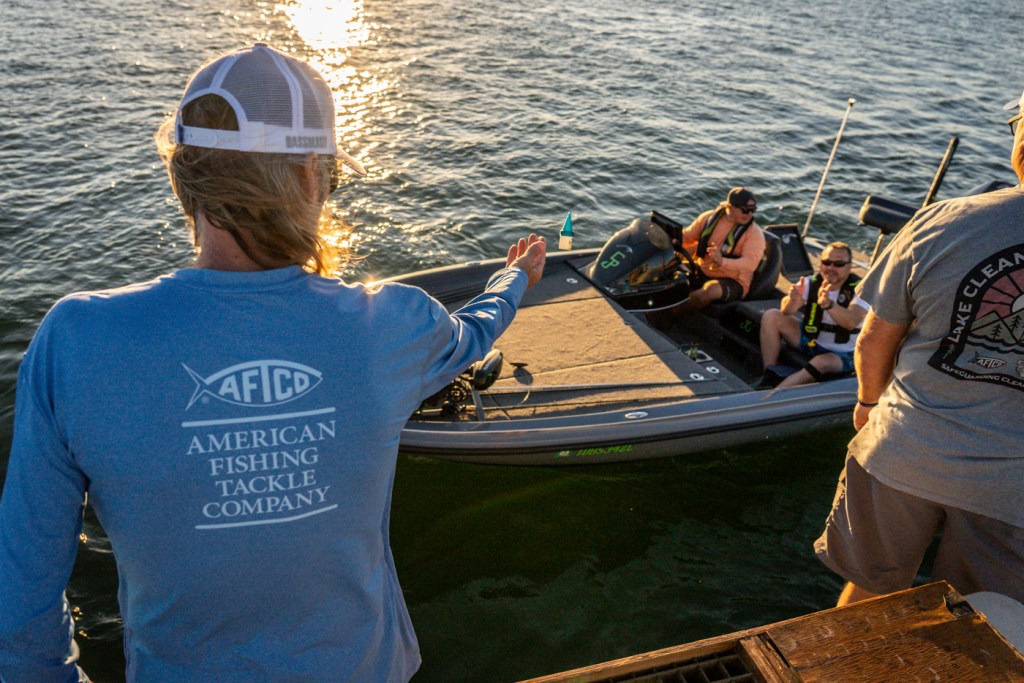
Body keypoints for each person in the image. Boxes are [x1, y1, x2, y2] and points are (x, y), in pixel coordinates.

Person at [0, 44, 546, 682]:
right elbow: (475, 333)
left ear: (181, 179)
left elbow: (20, 595)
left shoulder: (76, 340)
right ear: (311, 178)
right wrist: (514, 278)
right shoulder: (394, 323)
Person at [813, 87, 1024, 607]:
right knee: (985, 618)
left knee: (868, 594)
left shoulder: (945, 220)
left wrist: (868, 403)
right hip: (1010, 487)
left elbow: (873, 340)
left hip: (903, 449)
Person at [757, 242, 869, 389]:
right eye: (827, 262)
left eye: (838, 264)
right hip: (811, 341)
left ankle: (773, 395)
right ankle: (769, 373)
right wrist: (793, 300)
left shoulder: (861, 290)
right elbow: (786, 311)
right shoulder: (811, 282)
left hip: (843, 353)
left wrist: (828, 304)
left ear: (849, 266)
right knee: (772, 316)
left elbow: (851, 321)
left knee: (821, 362)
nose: (831, 268)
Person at [671, 186, 767, 312]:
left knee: (709, 291)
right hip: (703, 269)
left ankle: (671, 314)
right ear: (730, 207)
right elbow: (687, 237)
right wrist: (670, 238)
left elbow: (750, 264)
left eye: (753, 210)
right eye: (745, 210)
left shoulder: (754, 234)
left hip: (734, 281)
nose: (749, 214)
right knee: (666, 271)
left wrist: (722, 261)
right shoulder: (708, 218)